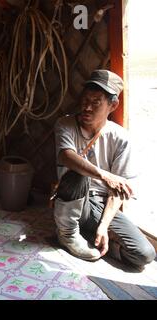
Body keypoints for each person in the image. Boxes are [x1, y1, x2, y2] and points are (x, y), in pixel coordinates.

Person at [53, 69, 156, 269]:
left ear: (113, 105)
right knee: (78, 172)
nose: (87, 108)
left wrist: (104, 226)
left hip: (101, 205)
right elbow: (66, 156)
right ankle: (67, 233)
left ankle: (95, 240)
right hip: (72, 198)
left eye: (96, 102)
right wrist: (104, 175)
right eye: (85, 100)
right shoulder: (65, 124)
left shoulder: (121, 138)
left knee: (145, 255)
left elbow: (118, 191)